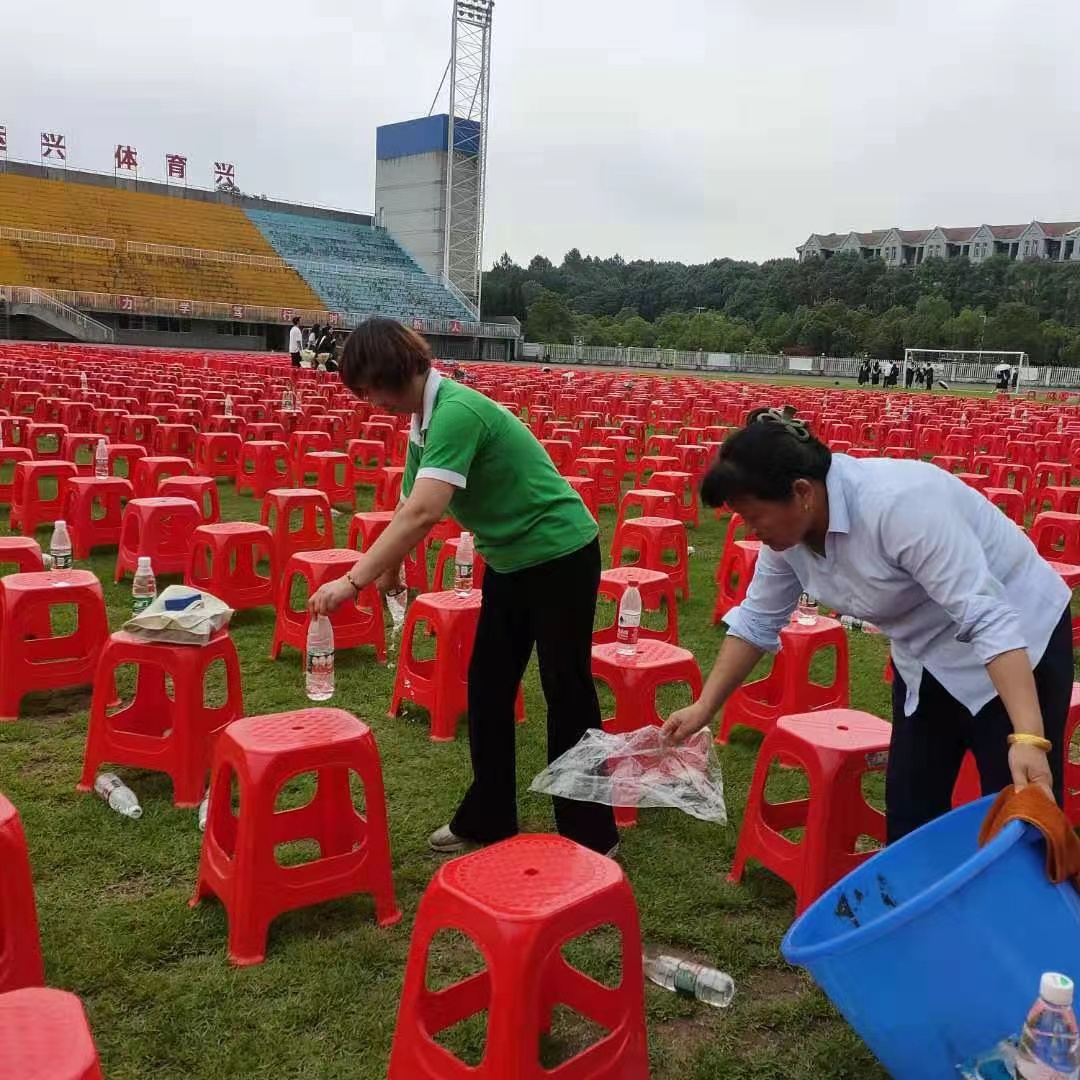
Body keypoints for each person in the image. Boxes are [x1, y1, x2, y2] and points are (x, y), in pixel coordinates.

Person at [661, 408, 1072, 843]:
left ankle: (1028, 901)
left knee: (1020, 811)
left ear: (801, 492)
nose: (751, 530)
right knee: (912, 801)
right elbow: (756, 621)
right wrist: (705, 707)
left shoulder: (898, 506)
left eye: (755, 517)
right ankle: (917, 904)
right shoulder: (788, 540)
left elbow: (986, 616)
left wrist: (1028, 735)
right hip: (926, 655)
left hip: (1018, 645)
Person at [307, 318, 618, 857]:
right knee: (488, 685)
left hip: (561, 555)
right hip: (511, 561)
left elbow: (426, 512)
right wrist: (388, 571)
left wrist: (351, 581)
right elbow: (408, 504)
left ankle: (591, 834)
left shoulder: (456, 412)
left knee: (566, 689)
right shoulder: (422, 419)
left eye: (365, 388)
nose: (365, 400)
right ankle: (490, 816)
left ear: (389, 373)